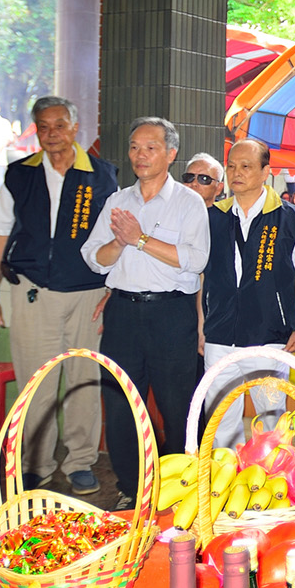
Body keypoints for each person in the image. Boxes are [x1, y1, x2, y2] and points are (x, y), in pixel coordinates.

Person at [0, 96, 119, 494]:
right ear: (36, 131)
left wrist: (112, 287)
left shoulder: (103, 176)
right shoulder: (19, 174)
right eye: (44, 126)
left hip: (88, 294)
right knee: (35, 383)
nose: (52, 133)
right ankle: (35, 463)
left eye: (60, 125)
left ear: (75, 128)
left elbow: (118, 237)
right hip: (33, 291)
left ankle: (80, 462)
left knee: (83, 380)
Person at [83, 117, 210, 508]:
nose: (140, 155)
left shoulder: (189, 203)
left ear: (171, 154)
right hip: (123, 312)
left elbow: (196, 259)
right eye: (135, 147)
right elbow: (93, 258)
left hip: (171, 314)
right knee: (122, 403)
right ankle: (130, 487)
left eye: (151, 148)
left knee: (178, 406)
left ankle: (179, 491)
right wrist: (120, 243)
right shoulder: (117, 202)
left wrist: (139, 238)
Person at [197, 138, 295, 446]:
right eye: (231, 166)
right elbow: (203, 276)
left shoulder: (291, 219)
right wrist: (203, 325)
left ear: (265, 172)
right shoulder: (213, 218)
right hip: (220, 334)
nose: (237, 173)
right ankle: (224, 473)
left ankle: (274, 474)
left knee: (273, 421)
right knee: (219, 421)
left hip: (269, 334)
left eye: (246, 166)